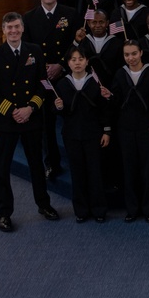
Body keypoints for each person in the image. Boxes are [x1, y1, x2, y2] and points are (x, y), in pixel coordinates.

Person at [0, 12, 57, 232]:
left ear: (23, 28)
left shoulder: (35, 51)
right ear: (3, 30)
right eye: (9, 28)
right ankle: (4, 214)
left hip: (31, 118)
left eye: (16, 27)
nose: (13, 31)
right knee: (1, 169)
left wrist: (30, 108)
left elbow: (43, 84)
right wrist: (13, 111)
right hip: (6, 121)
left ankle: (44, 205)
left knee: (36, 165)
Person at [22, 0, 77, 179]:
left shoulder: (70, 14)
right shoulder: (28, 18)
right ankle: (51, 163)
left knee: (71, 119)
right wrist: (42, 68)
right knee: (46, 124)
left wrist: (61, 64)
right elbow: (26, 49)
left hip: (65, 74)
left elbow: (75, 43)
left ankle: (75, 161)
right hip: (42, 77)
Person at [53, 46, 112, 222]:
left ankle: (99, 210)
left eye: (81, 59)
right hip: (72, 135)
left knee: (95, 173)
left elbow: (105, 110)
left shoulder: (97, 82)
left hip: (93, 134)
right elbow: (58, 112)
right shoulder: (62, 84)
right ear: (68, 63)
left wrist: (106, 131)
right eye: (73, 59)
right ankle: (81, 210)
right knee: (77, 174)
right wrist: (58, 107)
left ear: (87, 61)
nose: (77, 62)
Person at [110, 39, 149, 223]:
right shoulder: (119, 73)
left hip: (147, 127)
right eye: (127, 55)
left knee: (148, 170)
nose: (130, 58)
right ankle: (132, 209)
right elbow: (115, 102)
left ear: (141, 52)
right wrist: (108, 96)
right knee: (129, 170)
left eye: (134, 53)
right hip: (125, 129)